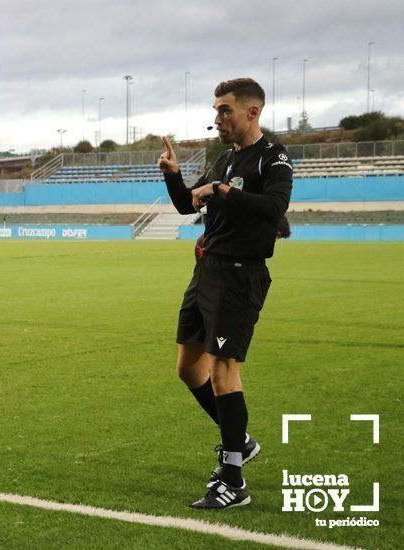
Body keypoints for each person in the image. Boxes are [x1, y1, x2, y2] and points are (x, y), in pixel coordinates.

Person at [157, 77, 293, 509]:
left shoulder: (274, 160)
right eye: (216, 110)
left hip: (239, 275)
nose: (217, 118)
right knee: (187, 369)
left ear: (252, 112)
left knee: (222, 370)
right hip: (206, 272)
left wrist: (223, 192)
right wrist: (175, 177)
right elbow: (186, 205)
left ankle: (233, 480)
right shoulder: (222, 161)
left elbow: (274, 208)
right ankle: (240, 440)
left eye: (224, 110)